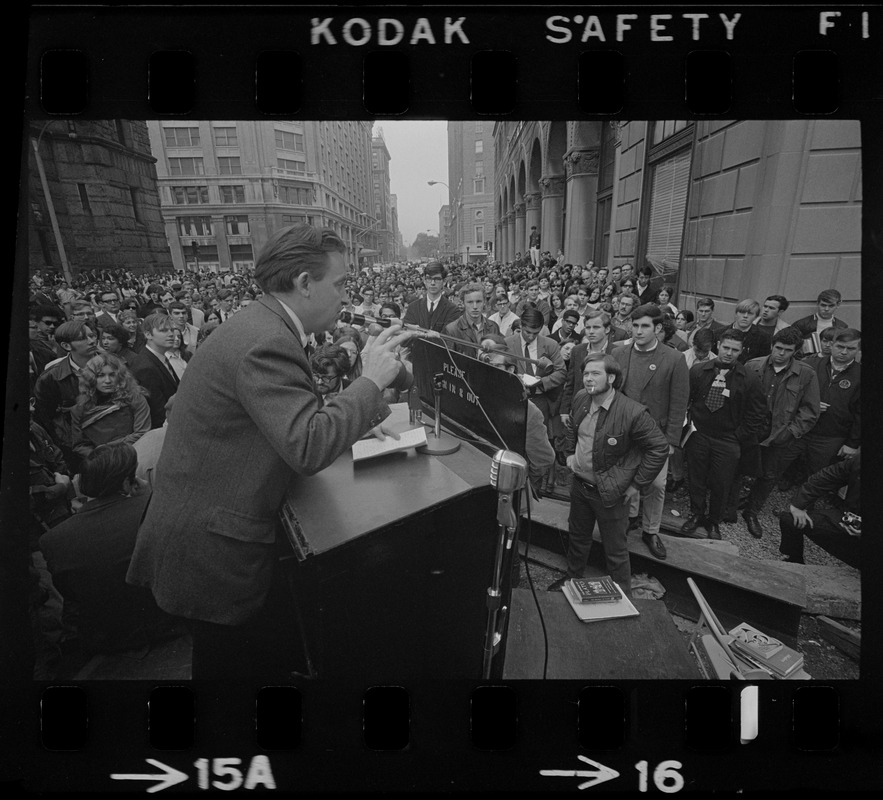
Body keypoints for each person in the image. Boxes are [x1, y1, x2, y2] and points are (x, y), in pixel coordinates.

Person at [126, 224, 412, 680]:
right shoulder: (268, 341)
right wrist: (371, 381)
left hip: (204, 531)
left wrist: (349, 421)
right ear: (303, 283)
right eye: (339, 283)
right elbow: (307, 444)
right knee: (228, 675)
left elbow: (279, 418)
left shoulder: (262, 323)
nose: (346, 295)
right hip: (213, 551)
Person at [39, 443, 180, 662]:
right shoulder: (156, 507)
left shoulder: (51, 541)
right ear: (126, 483)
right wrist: (151, 498)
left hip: (105, 646)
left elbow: (73, 599)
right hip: (170, 629)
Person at [548, 353, 669, 596]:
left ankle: (622, 595)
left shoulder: (632, 412)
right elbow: (572, 426)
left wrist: (637, 484)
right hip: (580, 487)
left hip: (611, 494)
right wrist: (570, 453)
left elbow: (659, 447)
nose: (588, 379)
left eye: (595, 373)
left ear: (611, 378)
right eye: (585, 374)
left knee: (615, 549)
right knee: (578, 537)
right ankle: (572, 579)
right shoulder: (582, 398)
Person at [612, 303, 690, 561]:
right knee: (626, 478)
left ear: (658, 328)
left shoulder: (674, 358)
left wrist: (671, 441)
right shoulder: (619, 353)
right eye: (634, 325)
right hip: (625, 431)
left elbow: (679, 403)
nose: (638, 331)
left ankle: (651, 530)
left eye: (644, 326)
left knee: (656, 485)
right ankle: (630, 519)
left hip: (656, 434)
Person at [682, 330, 768, 539]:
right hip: (699, 435)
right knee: (697, 478)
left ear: (742, 351)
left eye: (735, 350)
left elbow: (758, 414)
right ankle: (696, 514)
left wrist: (739, 436)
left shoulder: (749, 378)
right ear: (718, 345)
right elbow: (686, 400)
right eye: (726, 347)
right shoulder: (698, 371)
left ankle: (714, 521)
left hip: (728, 440)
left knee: (722, 482)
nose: (729, 353)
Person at [738, 327, 821, 538]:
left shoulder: (806, 374)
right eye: (778, 348)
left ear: (795, 351)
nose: (781, 353)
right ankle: (732, 505)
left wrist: (792, 432)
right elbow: (739, 398)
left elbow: (810, 410)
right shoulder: (752, 365)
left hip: (780, 434)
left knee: (769, 475)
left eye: (787, 350)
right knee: (739, 467)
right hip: (751, 430)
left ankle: (752, 511)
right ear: (772, 346)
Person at [480, 347, 555, 493]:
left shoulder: (528, 411)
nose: (488, 370)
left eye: (495, 366)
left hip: (508, 487)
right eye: (485, 365)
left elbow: (544, 459)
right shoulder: (479, 396)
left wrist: (522, 483)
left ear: (511, 369)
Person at [33, 320, 100, 470]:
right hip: (79, 448)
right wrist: (69, 447)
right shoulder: (52, 378)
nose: (91, 341)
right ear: (66, 346)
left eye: (92, 335)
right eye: (83, 338)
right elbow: (47, 420)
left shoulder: (114, 364)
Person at [778, 451, 860, 568]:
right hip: (849, 519)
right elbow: (827, 477)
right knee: (790, 521)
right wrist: (798, 504)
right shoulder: (860, 460)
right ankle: (795, 562)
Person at [70, 352, 151, 460]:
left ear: (120, 377)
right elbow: (79, 445)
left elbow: (142, 433)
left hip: (134, 456)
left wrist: (106, 449)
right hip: (100, 463)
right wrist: (100, 458)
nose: (107, 381)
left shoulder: (135, 399)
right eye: (101, 375)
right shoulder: (80, 409)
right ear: (91, 378)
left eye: (112, 375)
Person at [505, 307, 566, 425]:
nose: (531, 337)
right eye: (528, 332)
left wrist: (542, 381)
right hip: (514, 400)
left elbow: (562, 372)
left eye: (536, 333)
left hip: (540, 399)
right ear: (521, 325)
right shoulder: (507, 343)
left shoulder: (550, 344)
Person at [128, 313, 181, 429]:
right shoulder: (146, 367)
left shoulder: (159, 357)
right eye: (163, 330)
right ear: (148, 334)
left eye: (172, 330)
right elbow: (158, 412)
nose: (171, 334)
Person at [443, 283, 500, 356]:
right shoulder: (452, 329)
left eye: (478, 301)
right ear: (463, 303)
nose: (475, 306)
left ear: (484, 302)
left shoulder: (494, 327)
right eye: (470, 302)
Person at [403, 262, 460, 332]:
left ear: (444, 281)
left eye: (437, 279)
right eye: (429, 278)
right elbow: (406, 336)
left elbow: (449, 338)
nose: (433, 283)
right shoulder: (413, 307)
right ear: (424, 281)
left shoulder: (452, 310)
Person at [790, 289, 849, 357]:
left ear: (838, 305)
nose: (826, 309)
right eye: (823, 305)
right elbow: (790, 346)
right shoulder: (801, 324)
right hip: (807, 362)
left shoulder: (842, 326)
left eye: (831, 306)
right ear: (817, 303)